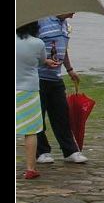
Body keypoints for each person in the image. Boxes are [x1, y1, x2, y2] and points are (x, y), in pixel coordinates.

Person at [36, 13, 86, 164]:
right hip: (37, 77)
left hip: (55, 77)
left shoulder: (64, 25)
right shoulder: (41, 21)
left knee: (62, 115)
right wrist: (44, 60)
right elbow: (28, 46)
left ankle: (70, 151)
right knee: (38, 117)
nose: (73, 14)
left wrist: (70, 70)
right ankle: (42, 152)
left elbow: (62, 49)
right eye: (71, 10)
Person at [17, 22, 57, 178]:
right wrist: (46, 61)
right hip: (29, 90)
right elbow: (40, 60)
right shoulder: (38, 43)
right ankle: (30, 169)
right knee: (31, 131)